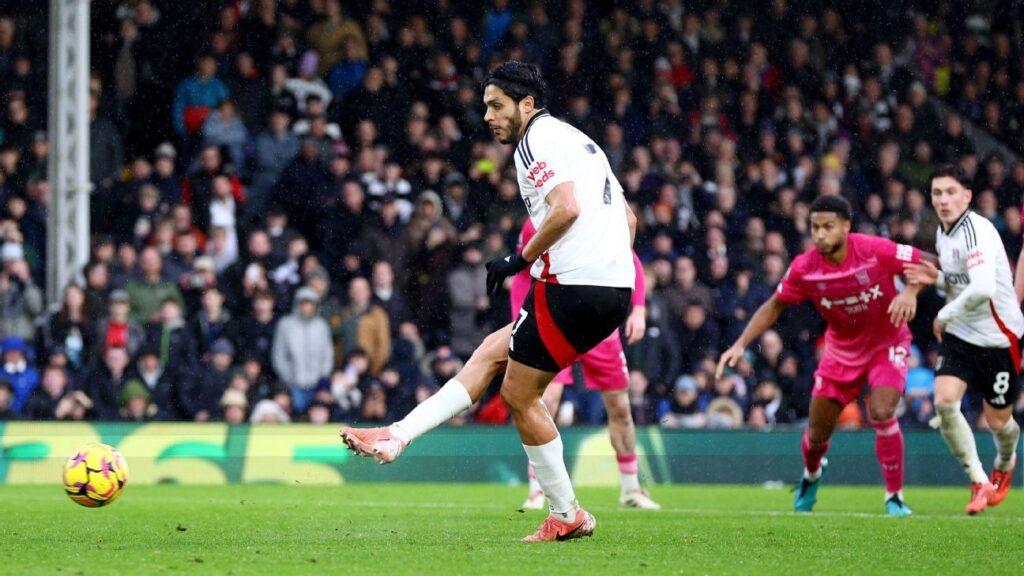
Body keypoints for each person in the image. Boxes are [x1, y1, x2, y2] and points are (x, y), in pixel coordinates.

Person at [342, 62, 636, 542]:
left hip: (574, 285)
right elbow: (628, 219)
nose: (487, 116)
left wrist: (518, 259)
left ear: (526, 104)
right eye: (484, 106)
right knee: (493, 352)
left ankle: (566, 514)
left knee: (518, 394)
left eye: (496, 105)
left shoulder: (534, 141)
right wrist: (609, 269)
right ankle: (398, 434)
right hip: (613, 288)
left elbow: (567, 208)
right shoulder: (582, 142)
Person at [716, 194, 929, 517]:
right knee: (817, 434)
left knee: (883, 411)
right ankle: (811, 475)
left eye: (828, 227)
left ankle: (894, 497)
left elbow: (928, 263)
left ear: (846, 226)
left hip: (887, 343)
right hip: (840, 352)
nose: (819, 234)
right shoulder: (805, 267)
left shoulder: (874, 249)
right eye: (815, 227)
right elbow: (775, 304)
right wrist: (740, 343)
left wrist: (911, 291)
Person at [511, 218, 659, 510]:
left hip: (598, 326)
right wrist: (521, 318)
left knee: (620, 406)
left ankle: (631, 488)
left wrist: (639, 308)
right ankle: (537, 488)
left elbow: (629, 258)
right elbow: (521, 273)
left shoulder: (599, 214)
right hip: (554, 319)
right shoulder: (536, 221)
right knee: (546, 400)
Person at [904, 165, 1023, 515]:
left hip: (999, 337)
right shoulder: (944, 232)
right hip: (962, 334)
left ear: (967, 196)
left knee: (998, 421)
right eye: (937, 193)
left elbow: (984, 288)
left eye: (951, 192)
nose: (943, 200)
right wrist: (939, 278)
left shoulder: (978, 231)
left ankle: (1005, 460)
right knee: (944, 401)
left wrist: (944, 314)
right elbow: (960, 283)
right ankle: (978, 479)